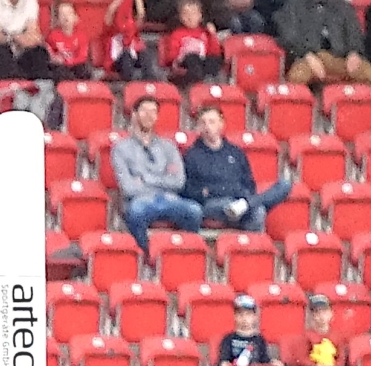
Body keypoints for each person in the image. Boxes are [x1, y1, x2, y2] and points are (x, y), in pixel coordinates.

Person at [185, 105, 292, 233]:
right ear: (199, 127)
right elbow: (189, 190)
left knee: (282, 187)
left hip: (240, 199)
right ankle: (248, 205)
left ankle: (247, 208)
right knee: (255, 208)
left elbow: (249, 183)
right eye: (203, 122)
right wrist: (210, 191)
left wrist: (244, 200)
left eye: (212, 121)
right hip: (214, 203)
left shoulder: (235, 152)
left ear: (221, 124)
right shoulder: (192, 155)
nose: (207, 126)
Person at [114, 93, 201, 250]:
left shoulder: (168, 147)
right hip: (140, 201)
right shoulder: (121, 148)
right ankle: (148, 256)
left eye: (153, 112)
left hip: (169, 199)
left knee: (194, 210)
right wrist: (162, 180)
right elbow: (128, 188)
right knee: (136, 212)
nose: (149, 115)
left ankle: (182, 252)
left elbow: (178, 182)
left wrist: (145, 178)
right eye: (144, 111)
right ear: (134, 115)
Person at [275, 0, 371, 84]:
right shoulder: (293, 7)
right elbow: (288, 37)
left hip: (341, 58)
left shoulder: (344, 8)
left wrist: (354, 53)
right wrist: (307, 55)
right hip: (308, 57)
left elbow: (355, 34)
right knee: (298, 77)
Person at [212, 294, 284, 366]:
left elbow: (265, 360)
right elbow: (224, 358)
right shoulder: (228, 339)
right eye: (240, 314)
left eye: (248, 314)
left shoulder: (259, 340)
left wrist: (273, 363)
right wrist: (224, 364)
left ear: (254, 317)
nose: (244, 319)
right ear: (235, 316)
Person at [0, 0, 48, 78]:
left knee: (38, 53)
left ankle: (40, 87)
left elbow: (33, 33)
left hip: (18, 52)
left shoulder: (30, 2)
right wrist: (17, 38)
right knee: (2, 53)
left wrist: (29, 40)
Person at [158, 0, 220, 85]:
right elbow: (171, 56)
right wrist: (180, 57)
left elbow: (215, 52)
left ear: (200, 16)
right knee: (192, 57)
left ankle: (208, 81)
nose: (190, 17)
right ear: (181, 17)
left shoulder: (204, 33)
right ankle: (199, 81)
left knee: (213, 60)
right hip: (183, 63)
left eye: (193, 14)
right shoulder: (177, 34)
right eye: (186, 14)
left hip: (201, 61)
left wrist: (212, 35)